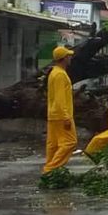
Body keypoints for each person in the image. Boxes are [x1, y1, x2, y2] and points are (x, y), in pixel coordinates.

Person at [43, 45, 77, 175]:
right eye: (69, 56)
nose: (70, 58)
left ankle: (49, 169)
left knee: (54, 145)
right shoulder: (60, 75)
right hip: (61, 115)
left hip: (53, 114)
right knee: (70, 142)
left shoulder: (54, 73)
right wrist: (66, 116)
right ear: (64, 58)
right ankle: (50, 169)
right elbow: (59, 98)